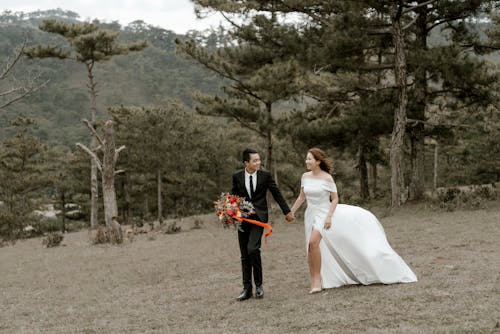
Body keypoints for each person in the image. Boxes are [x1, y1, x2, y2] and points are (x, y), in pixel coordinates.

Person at [289, 148, 417, 293]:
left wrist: (329, 217)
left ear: (318, 161)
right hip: (310, 214)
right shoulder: (305, 176)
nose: (307, 161)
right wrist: (291, 211)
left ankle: (318, 281)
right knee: (311, 248)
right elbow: (301, 197)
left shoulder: (327, 178)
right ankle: (314, 280)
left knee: (313, 242)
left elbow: (335, 198)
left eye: (310, 159)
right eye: (306, 159)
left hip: (324, 213)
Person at [232, 148, 294, 301]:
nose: (258, 163)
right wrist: (228, 210)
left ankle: (259, 286)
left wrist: (287, 211)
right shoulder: (237, 176)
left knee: (253, 249)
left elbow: (276, 193)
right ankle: (247, 289)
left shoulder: (265, 175)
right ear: (246, 163)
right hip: (242, 220)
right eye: (255, 161)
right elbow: (233, 195)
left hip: (258, 218)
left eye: (259, 160)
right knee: (244, 254)